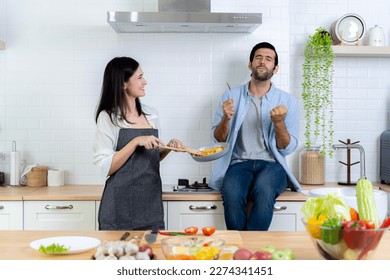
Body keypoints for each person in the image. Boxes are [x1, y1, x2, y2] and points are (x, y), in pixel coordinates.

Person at [209, 42, 301, 231]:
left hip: (273, 165)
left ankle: (248, 252)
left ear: (275, 68)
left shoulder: (287, 101)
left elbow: (287, 148)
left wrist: (279, 123)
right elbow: (218, 141)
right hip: (238, 164)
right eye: (258, 57)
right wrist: (226, 119)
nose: (262, 61)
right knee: (232, 193)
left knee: (265, 190)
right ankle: (245, 253)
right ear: (250, 64)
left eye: (269, 58)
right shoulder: (230, 96)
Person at [93, 57, 184, 230]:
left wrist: (169, 147)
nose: (145, 81)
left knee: (151, 253)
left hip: (150, 202)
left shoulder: (151, 115)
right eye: (140, 77)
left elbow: (150, 158)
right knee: (119, 255)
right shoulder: (108, 118)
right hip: (119, 203)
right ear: (123, 84)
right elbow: (105, 167)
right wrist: (135, 142)